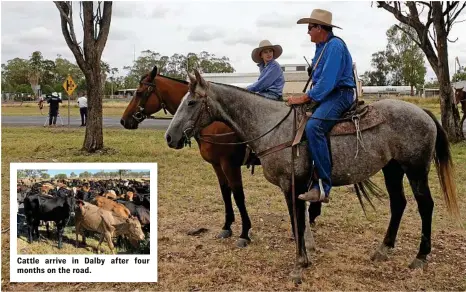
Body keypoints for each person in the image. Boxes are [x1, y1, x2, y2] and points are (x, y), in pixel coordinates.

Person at [287, 9, 356, 203]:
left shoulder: (334, 46)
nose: (307, 32)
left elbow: (327, 82)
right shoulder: (321, 47)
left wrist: (305, 98)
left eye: (310, 28)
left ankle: (323, 186)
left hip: (340, 95)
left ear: (319, 28)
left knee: (314, 126)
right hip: (328, 95)